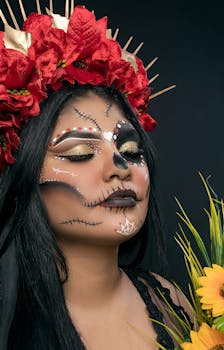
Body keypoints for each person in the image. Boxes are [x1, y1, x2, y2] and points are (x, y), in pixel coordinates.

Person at [0, 2, 191, 349]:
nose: (120, 166)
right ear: (23, 173)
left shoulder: (171, 305)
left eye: (132, 151)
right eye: (80, 153)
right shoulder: (7, 327)